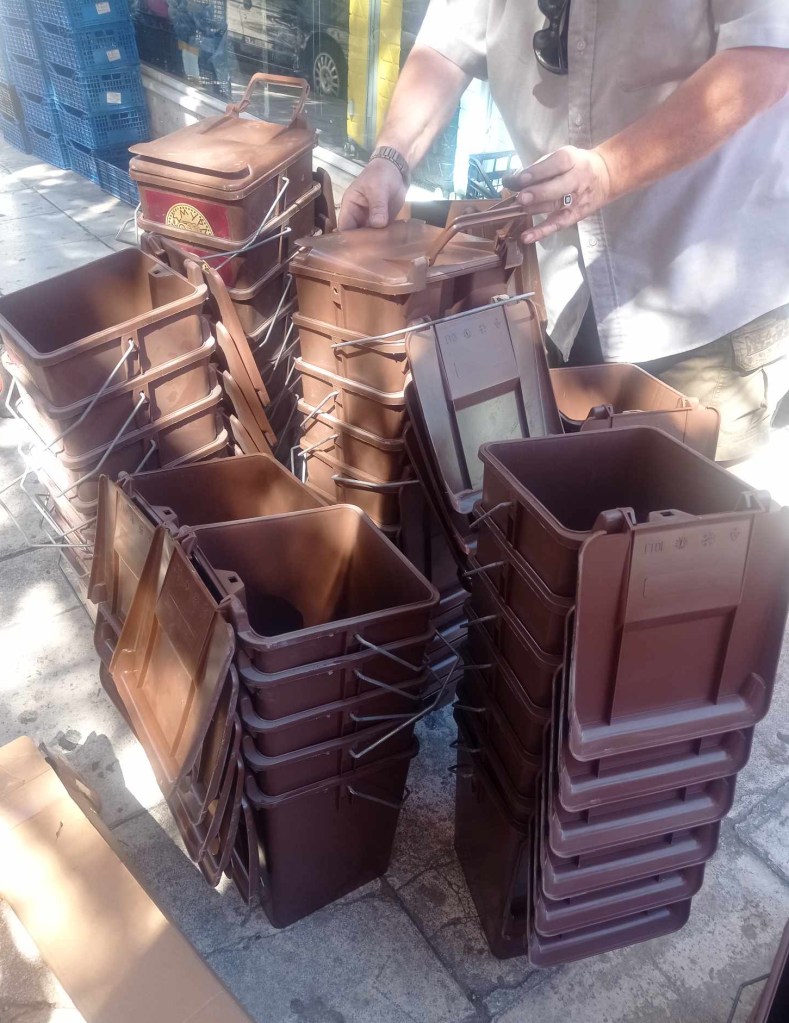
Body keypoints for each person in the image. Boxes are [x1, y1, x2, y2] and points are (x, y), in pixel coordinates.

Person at [338, 1, 789, 461]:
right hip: (560, 292)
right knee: (549, 490)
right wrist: (390, 160)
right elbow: (447, 45)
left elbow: (766, 58)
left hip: (702, 305)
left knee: (683, 498)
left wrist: (610, 171)